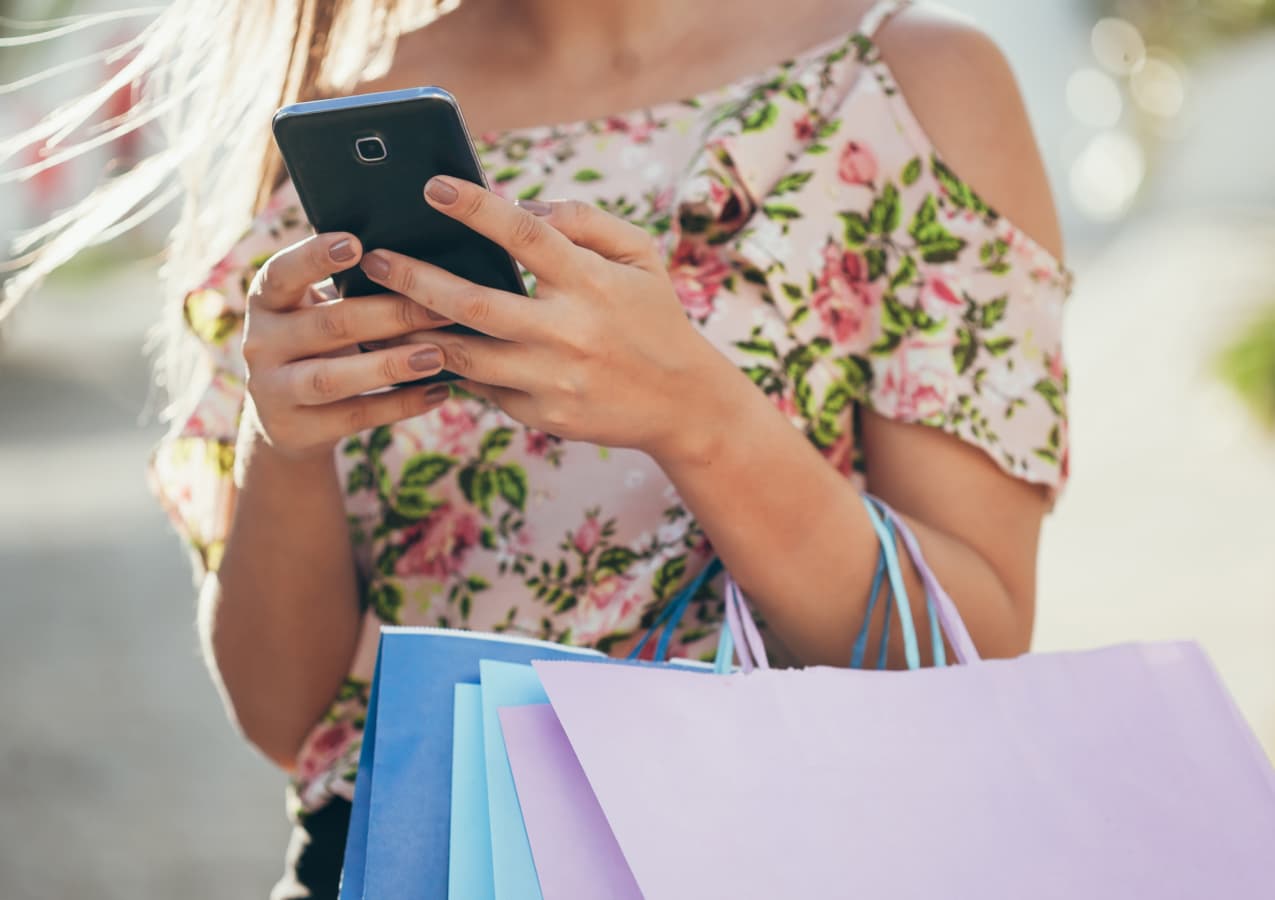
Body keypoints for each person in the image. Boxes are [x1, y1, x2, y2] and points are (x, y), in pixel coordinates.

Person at [10, 0, 1071, 896]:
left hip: (776, 853)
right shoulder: (337, 120)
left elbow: (968, 658)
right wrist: (286, 445)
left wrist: (697, 416)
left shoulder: (902, 84)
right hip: (404, 862)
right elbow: (289, 719)